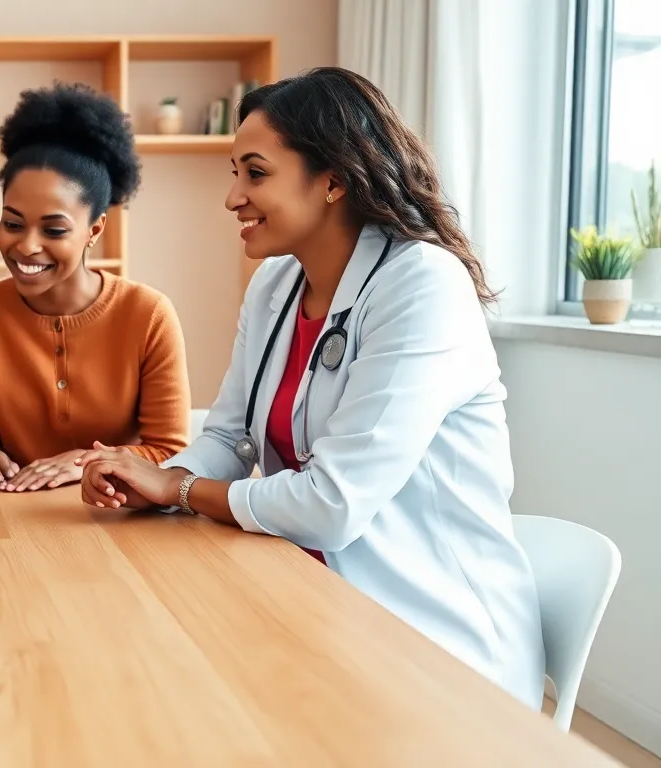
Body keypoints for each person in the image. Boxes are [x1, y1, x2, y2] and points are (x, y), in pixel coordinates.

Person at [75, 67, 545, 709]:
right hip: (308, 599)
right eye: (233, 173)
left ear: (333, 180)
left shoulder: (422, 285)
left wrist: (179, 487)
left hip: (431, 642)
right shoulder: (276, 286)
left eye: (256, 173)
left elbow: (333, 504)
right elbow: (227, 437)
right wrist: (148, 483)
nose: (232, 197)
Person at [0, 82, 191, 492]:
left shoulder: (148, 314)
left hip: (120, 514)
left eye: (54, 229)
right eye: (12, 223)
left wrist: (84, 462)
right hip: (7, 515)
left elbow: (169, 450)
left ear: (94, 230)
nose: (26, 245)